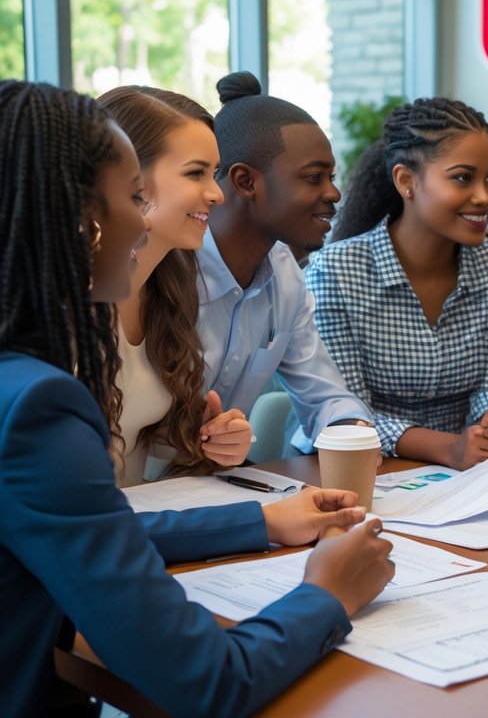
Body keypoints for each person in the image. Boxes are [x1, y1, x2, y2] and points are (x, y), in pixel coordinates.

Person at [0, 79, 394, 716]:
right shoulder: (40, 405)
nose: (141, 216)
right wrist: (328, 594)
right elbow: (206, 681)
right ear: (78, 218)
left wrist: (259, 522)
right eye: (132, 196)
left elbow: (88, 527)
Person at [307, 98, 488, 468]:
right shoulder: (336, 271)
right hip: (361, 469)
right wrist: (448, 448)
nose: (485, 197)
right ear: (407, 181)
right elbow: (346, 412)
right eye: (463, 177)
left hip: (462, 475)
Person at [199, 71, 373, 451]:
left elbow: (324, 395)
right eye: (314, 178)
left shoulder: (285, 275)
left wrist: (351, 427)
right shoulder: (168, 266)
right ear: (246, 182)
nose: (335, 193)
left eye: (331, 176)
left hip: (214, 483)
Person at [97, 86, 252, 485]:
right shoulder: (68, 303)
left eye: (214, 174)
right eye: (195, 173)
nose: (217, 193)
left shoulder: (168, 286)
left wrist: (207, 439)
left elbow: (137, 435)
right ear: (128, 178)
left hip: (136, 530)